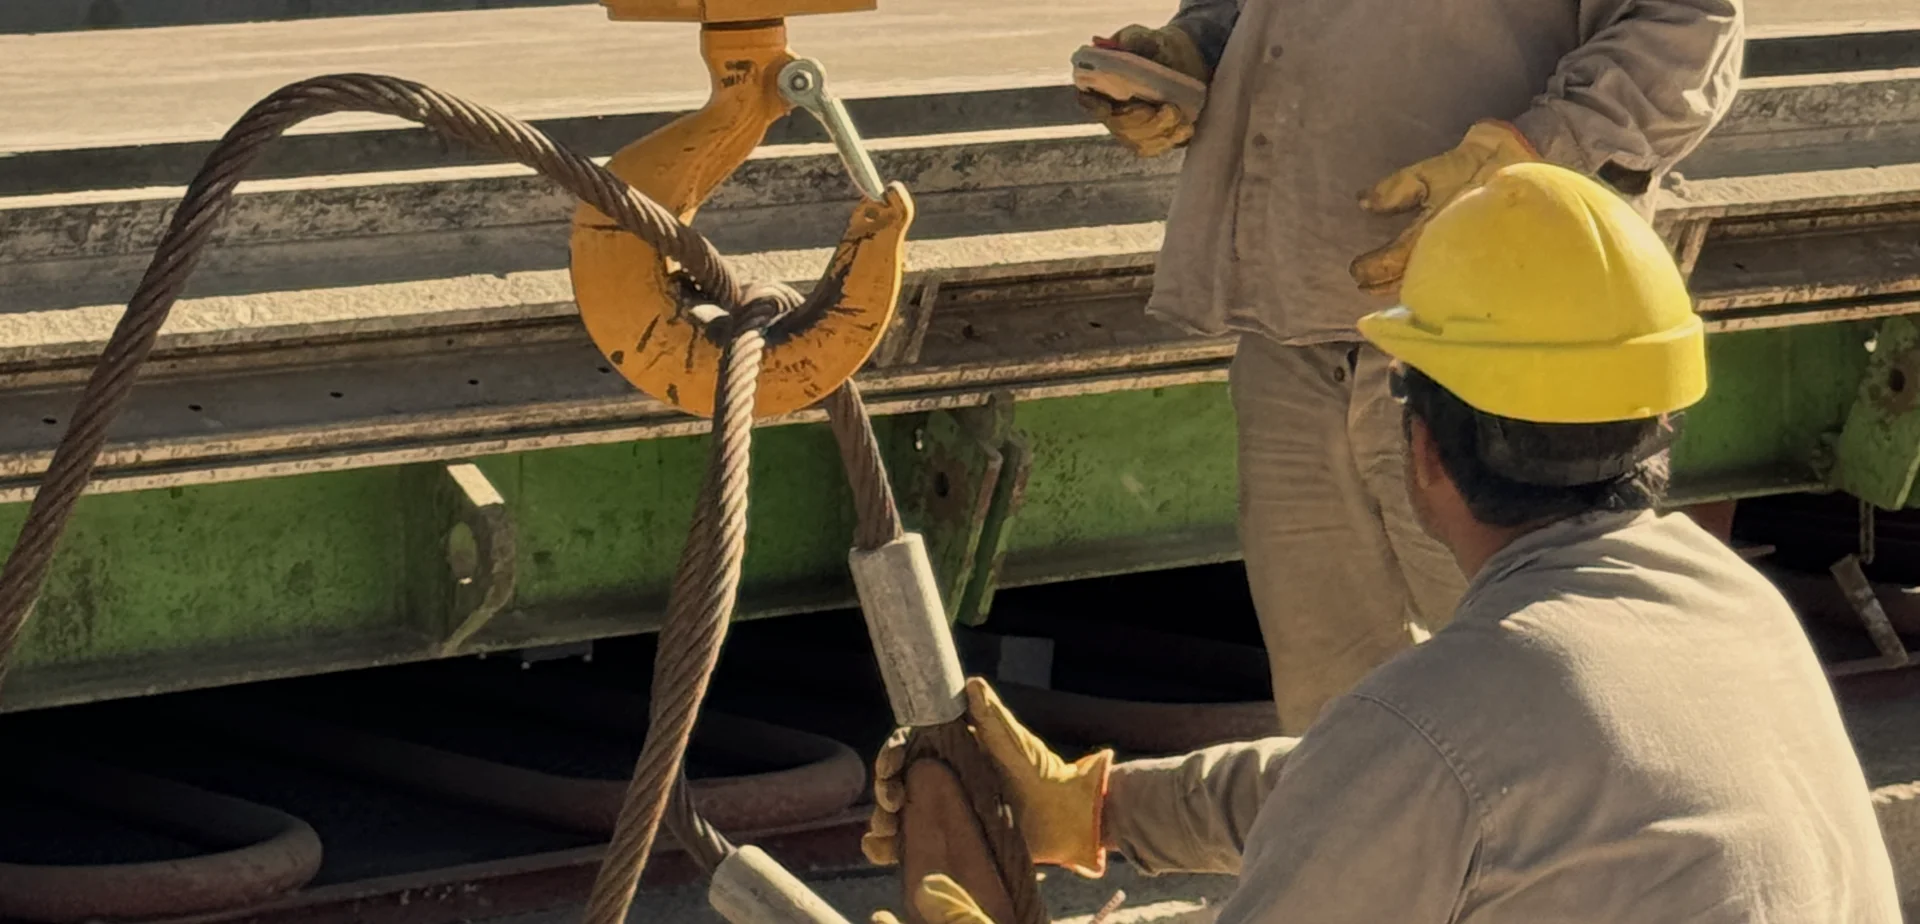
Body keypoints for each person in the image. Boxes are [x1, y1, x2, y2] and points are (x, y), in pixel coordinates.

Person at [866, 164, 1901, 922]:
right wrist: (1101, 810)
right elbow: (1375, 785)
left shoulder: (1451, 714)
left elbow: (1402, 775)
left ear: (1424, 451)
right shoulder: (1737, 610)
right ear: (1662, 421)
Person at [1077, 0, 1746, 734]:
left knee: (1539, 715)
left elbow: (1687, 30)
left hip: (1498, 346)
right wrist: (1193, 52)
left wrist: (1540, 148)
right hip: (1291, 331)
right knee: (1332, 731)